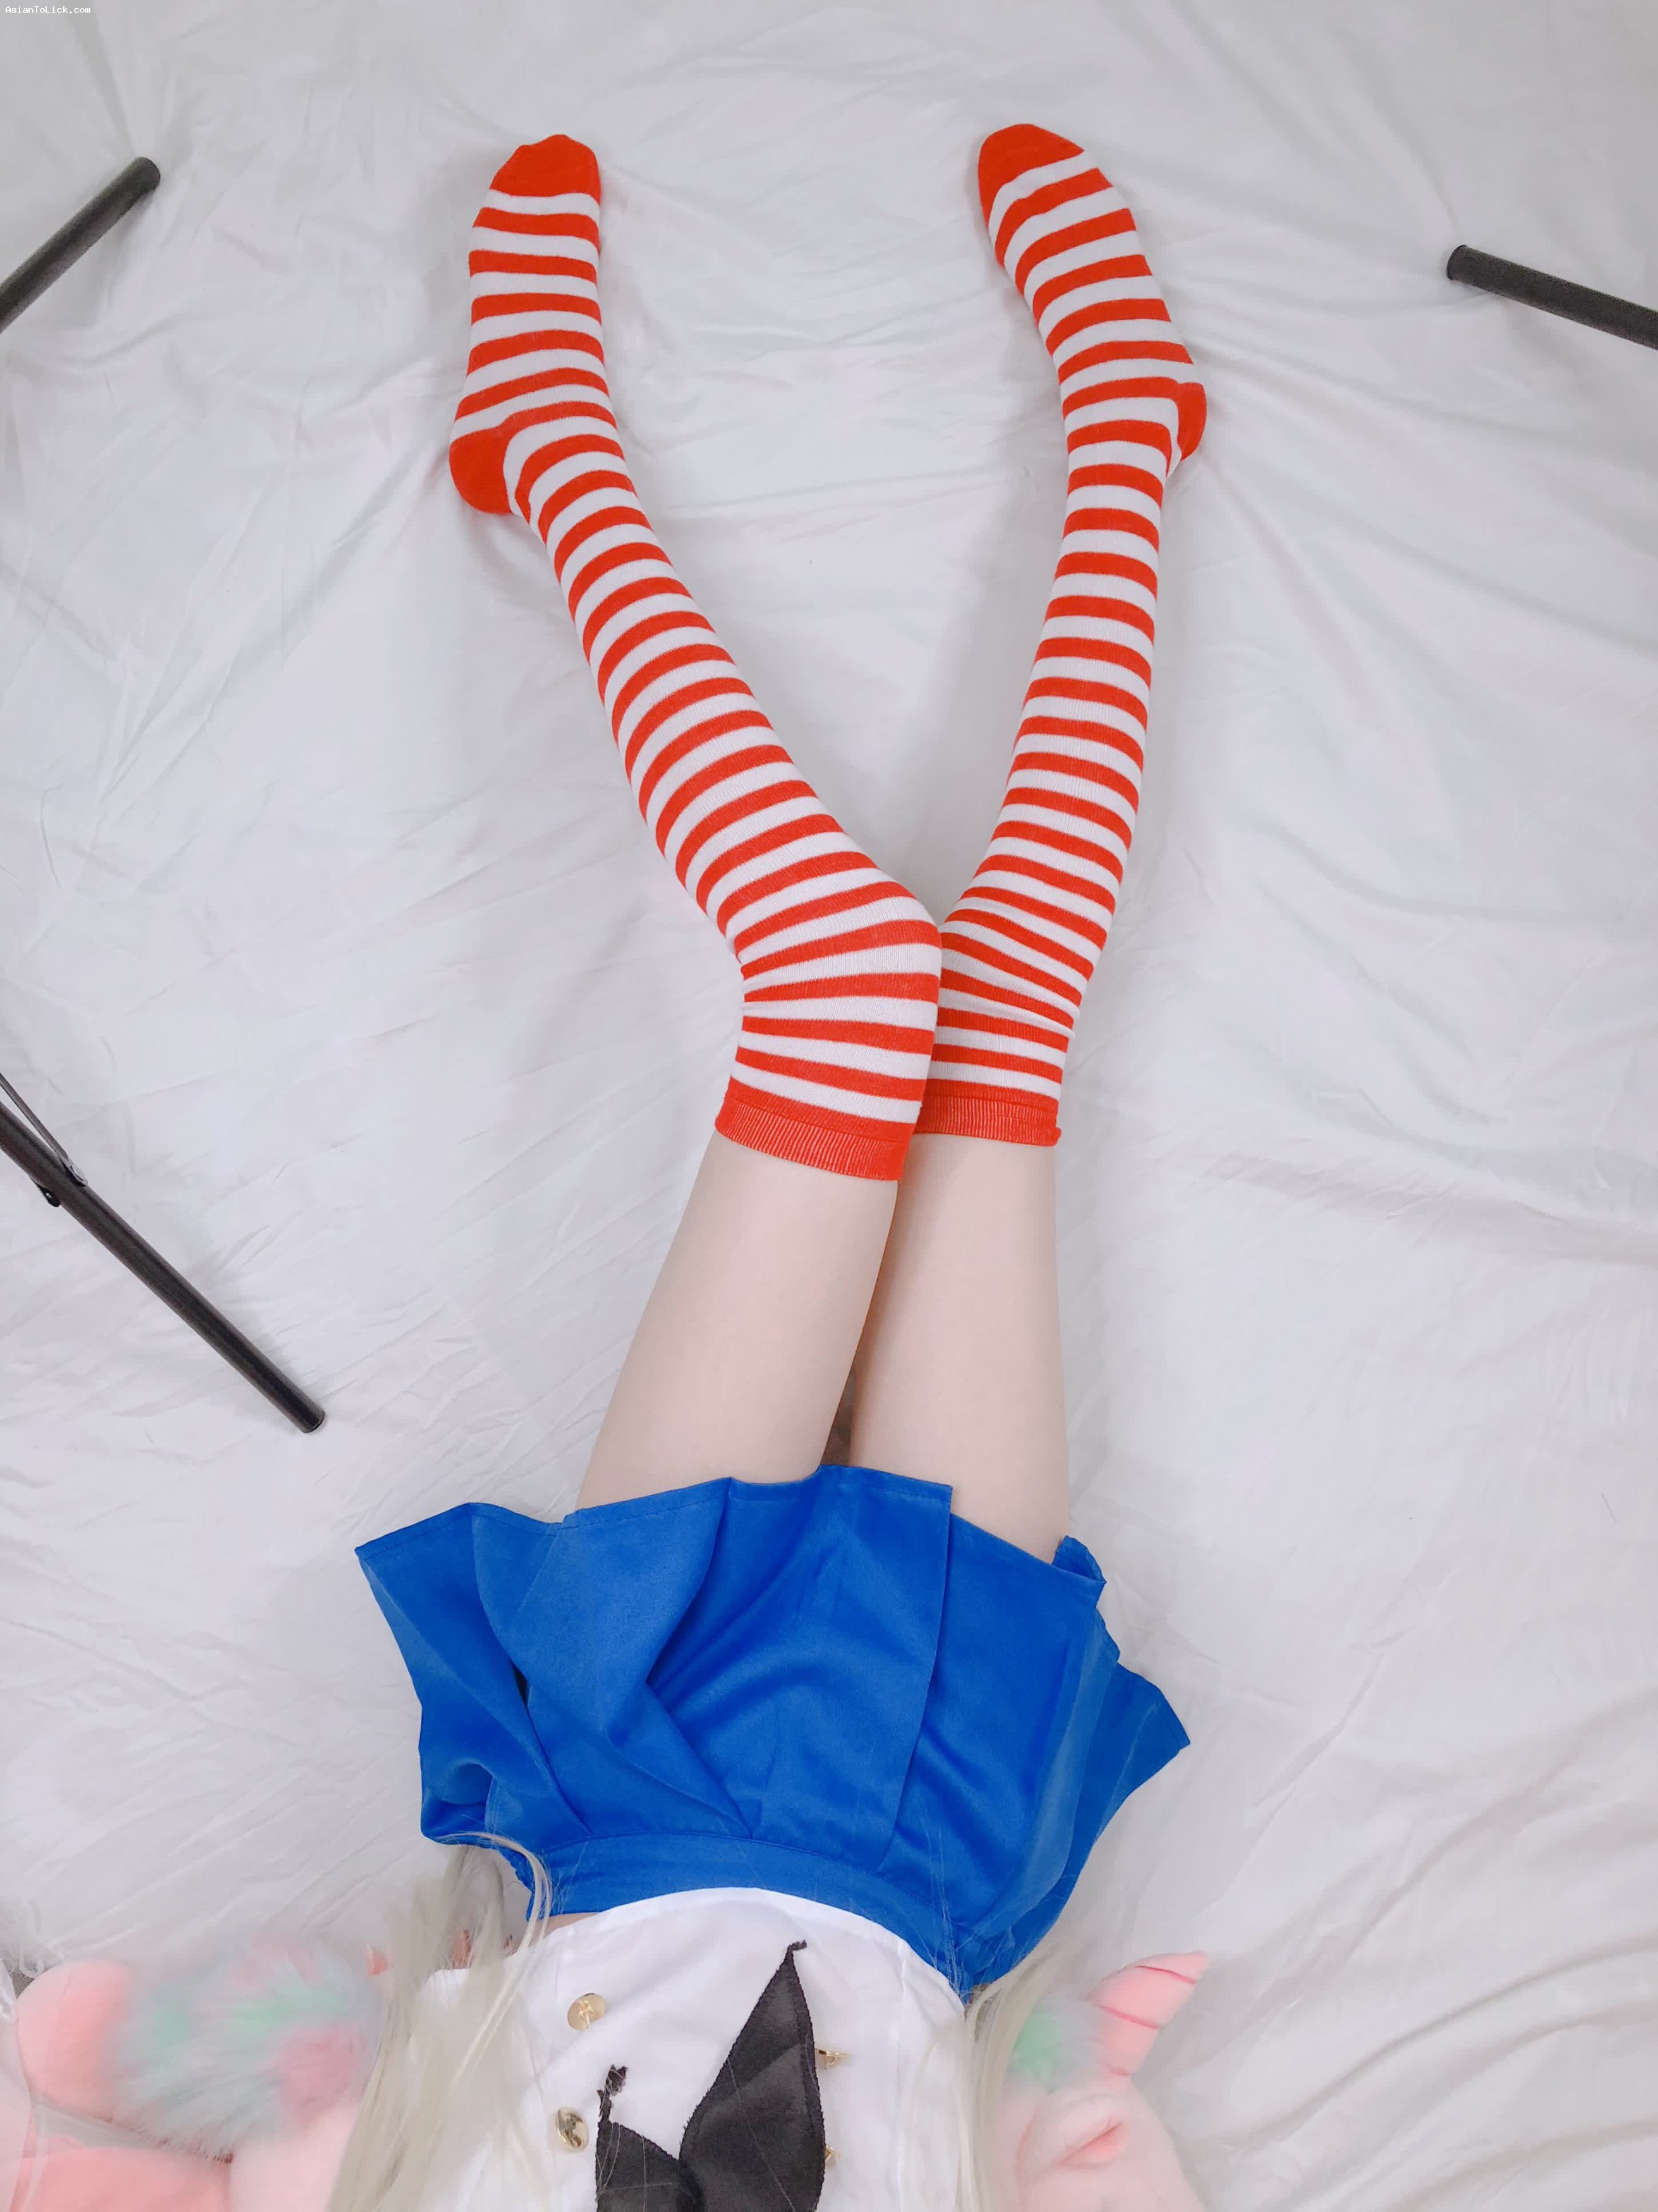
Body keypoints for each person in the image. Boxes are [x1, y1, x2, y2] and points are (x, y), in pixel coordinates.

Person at [339, 121, 1207, 2212]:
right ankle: (1127, 435)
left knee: (848, 984)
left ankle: (553, 452)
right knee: (1003, 1009)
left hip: (640, 1764)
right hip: (930, 1825)